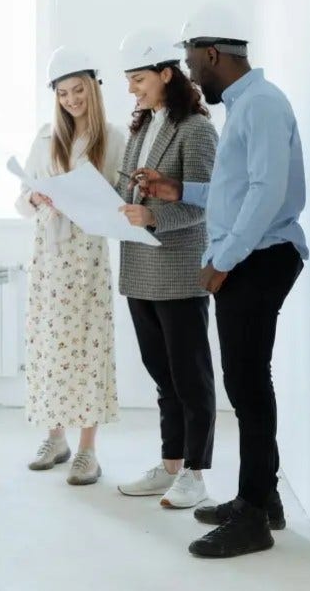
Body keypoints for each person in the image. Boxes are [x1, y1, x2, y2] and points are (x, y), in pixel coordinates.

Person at [132, 4, 308, 557]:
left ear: (211, 55)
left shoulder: (261, 104)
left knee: (249, 390)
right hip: (251, 255)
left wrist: (224, 258)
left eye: (189, 61)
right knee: (248, 385)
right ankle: (263, 500)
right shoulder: (247, 104)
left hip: (260, 257)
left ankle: (253, 516)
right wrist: (177, 190)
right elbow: (237, 191)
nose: (188, 74)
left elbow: (266, 194)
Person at [111, 29, 218, 510]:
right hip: (140, 268)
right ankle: (171, 462)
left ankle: (196, 473)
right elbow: (134, 194)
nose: (132, 89)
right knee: (162, 375)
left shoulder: (195, 129)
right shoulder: (141, 125)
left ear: (166, 74)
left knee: (190, 377)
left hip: (178, 270)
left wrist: (153, 214)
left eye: (138, 79)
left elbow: (204, 201)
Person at [16, 46, 124, 486]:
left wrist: (92, 198)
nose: (72, 100)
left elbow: (121, 199)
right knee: (49, 346)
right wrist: (35, 197)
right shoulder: (45, 138)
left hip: (87, 257)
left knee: (87, 347)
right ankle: (54, 437)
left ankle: (87, 450)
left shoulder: (113, 139)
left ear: (94, 89)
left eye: (78, 90)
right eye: (63, 93)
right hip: (49, 257)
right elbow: (20, 200)